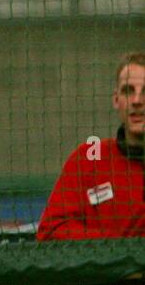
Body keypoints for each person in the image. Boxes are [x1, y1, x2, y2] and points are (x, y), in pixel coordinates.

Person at [37, 52, 145, 240]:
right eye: (128, 91)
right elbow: (50, 231)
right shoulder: (88, 158)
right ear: (116, 100)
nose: (137, 101)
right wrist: (115, 250)